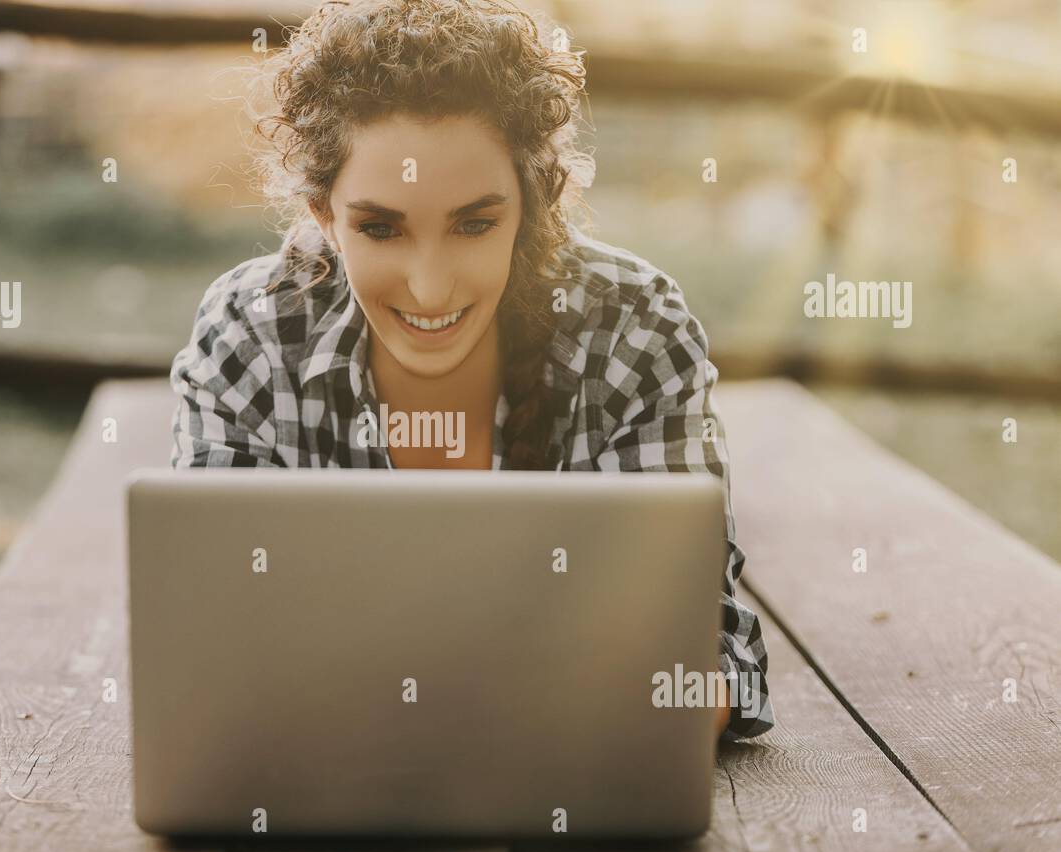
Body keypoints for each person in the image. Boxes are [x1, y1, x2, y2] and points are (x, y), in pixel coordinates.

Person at [170, 0, 774, 742]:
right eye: (381, 227)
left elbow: (709, 659)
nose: (430, 288)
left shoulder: (634, 328)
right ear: (323, 214)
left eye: (474, 224)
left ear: (534, 203)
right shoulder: (251, 331)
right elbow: (208, 648)